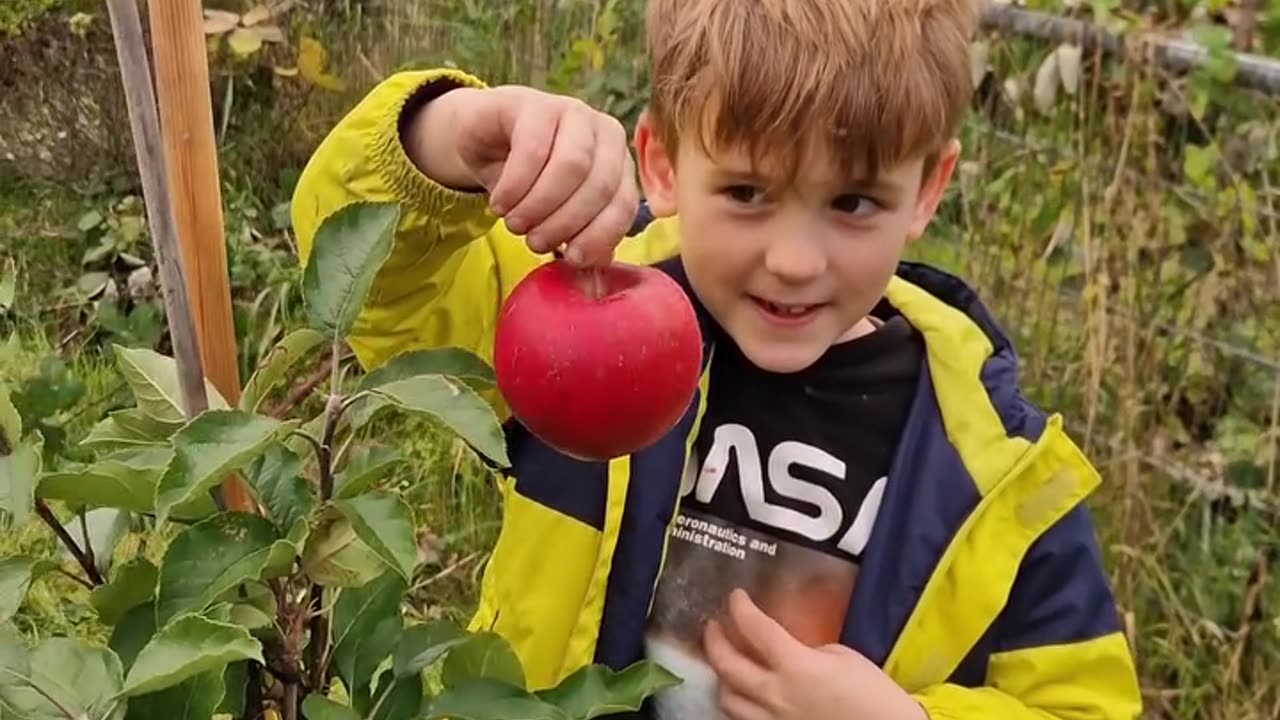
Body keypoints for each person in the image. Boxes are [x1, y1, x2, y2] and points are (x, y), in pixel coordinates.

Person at [290, 0, 1144, 717]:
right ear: (660, 162)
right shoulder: (585, 310)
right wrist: (445, 138)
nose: (796, 261)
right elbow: (378, 287)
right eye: (746, 192)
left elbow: (1083, 703)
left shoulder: (992, 467)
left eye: (853, 201)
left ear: (927, 189)